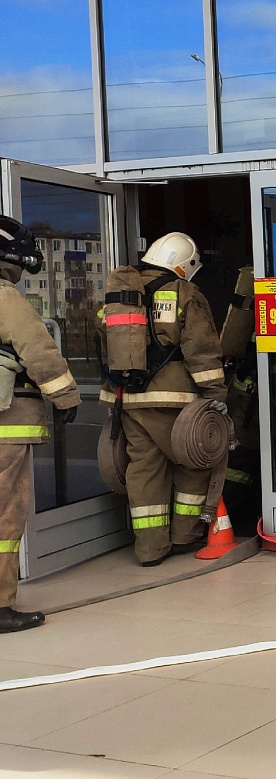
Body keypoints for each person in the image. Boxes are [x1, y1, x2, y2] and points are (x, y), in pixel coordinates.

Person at [101, 233, 229, 566]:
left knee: (144, 469)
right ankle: (184, 536)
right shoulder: (184, 292)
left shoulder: (119, 294)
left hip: (128, 398)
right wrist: (215, 393)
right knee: (193, 462)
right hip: (176, 399)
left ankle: (150, 548)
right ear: (183, 264)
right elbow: (200, 348)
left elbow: (106, 345)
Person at [0, 217, 81, 632]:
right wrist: (65, 397)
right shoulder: (3, 297)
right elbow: (38, 348)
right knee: (5, 516)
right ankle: (0, 606)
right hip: (5, 427)